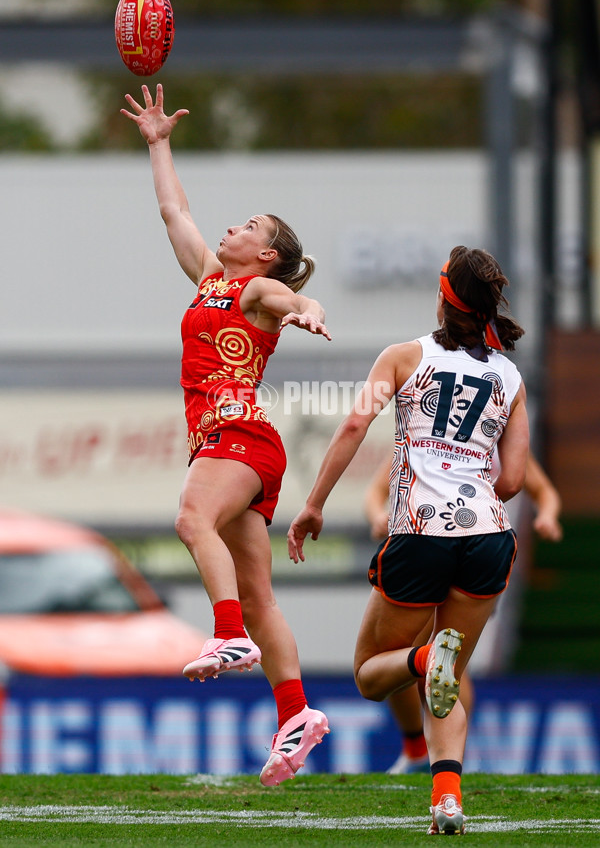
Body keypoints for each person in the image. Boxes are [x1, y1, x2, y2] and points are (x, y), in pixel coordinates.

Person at [121, 83, 331, 786]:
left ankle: (228, 635)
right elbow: (173, 211)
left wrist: (306, 310)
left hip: (238, 435)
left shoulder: (256, 291)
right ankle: (296, 714)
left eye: (249, 225)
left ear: (265, 254)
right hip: (240, 446)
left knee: (190, 519)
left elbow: (295, 296)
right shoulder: (211, 278)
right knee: (260, 593)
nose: (233, 227)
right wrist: (159, 143)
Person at [288, 245, 529, 834]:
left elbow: (354, 424)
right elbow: (513, 481)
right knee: (448, 682)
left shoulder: (403, 357)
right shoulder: (509, 376)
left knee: (371, 673)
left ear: (443, 300)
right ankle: (447, 800)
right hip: (489, 537)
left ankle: (423, 658)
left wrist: (313, 504)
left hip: (422, 533)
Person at [365, 448, 563, 775]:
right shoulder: (426, 436)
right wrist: (378, 516)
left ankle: (443, 753)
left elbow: (542, 491)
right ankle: (420, 748)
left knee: (443, 660)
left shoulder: (498, 442)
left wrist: (547, 516)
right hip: (438, 544)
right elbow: (376, 491)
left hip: (470, 549)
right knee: (413, 653)